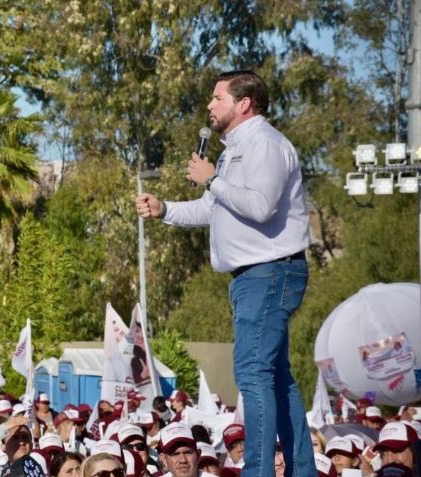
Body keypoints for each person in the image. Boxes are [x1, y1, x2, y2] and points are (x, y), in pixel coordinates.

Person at [136, 70, 313, 477]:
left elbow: (261, 206)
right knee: (276, 377)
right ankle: (301, 469)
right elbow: (214, 208)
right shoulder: (231, 150)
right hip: (255, 277)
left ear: (244, 103)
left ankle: (259, 471)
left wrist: (212, 179)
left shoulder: (265, 143)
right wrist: (166, 210)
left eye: (218, 98)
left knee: (253, 372)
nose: (210, 106)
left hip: (269, 272)